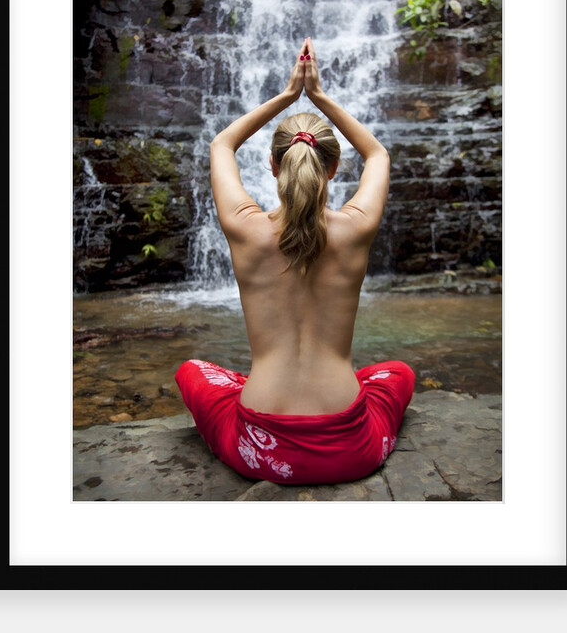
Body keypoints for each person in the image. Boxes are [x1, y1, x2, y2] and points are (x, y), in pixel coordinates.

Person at [175, 37, 414, 485]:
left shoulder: (245, 227)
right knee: (397, 373)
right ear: (334, 167)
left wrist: (287, 95)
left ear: (273, 166)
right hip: (350, 448)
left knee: (192, 371)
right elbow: (378, 154)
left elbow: (222, 146)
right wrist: (320, 97)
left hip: (261, 446)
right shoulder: (356, 226)